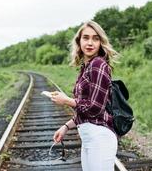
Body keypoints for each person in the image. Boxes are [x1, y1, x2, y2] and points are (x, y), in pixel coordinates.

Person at [51, 20, 119, 171]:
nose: (90, 43)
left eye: (95, 38)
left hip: (100, 138)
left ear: (101, 43)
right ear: (79, 41)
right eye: (86, 37)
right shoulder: (86, 68)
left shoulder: (98, 65)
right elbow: (85, 110)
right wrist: (66, 127)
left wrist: (67, 101)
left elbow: (95, 108)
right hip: (89, 139)